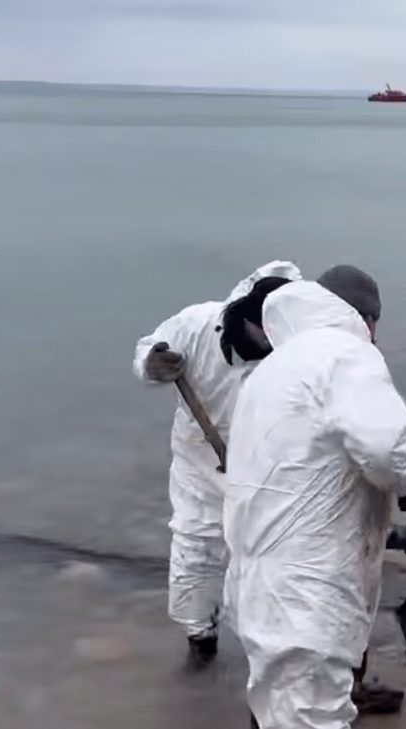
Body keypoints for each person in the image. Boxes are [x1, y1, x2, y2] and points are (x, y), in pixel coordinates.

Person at [224, 266, 406, 729]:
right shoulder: (347, 353)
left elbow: (305, 477)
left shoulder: (270, 371)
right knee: (314, 713)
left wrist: (388, 533)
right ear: (368, 319)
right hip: (310, 589)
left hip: (256, 581)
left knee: (274, 704)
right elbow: (383, 449)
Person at [133, 260, 302, 670]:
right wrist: (152, 363)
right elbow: (148, 348)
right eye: (262, 329)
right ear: (244, 315)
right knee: (195, 547)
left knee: (269, 557)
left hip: (267, 468)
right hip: (199, 459)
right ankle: (200, 640)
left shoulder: (302, 348)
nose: (268, 338)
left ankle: (274, 653)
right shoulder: (196, 324)